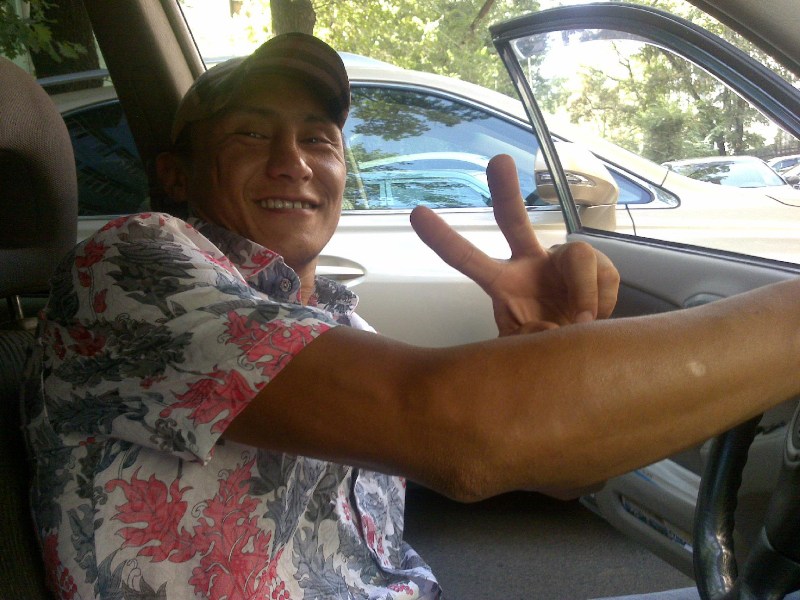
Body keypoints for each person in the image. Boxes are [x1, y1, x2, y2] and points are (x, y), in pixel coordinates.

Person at [23, 32, 800, 600]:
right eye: (252, 134)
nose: (294, 160)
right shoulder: (128, 265)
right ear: (176, 173)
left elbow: (571, 477)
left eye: (319, 138)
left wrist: (565, 360)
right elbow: (462, 440)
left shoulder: (340, 328)